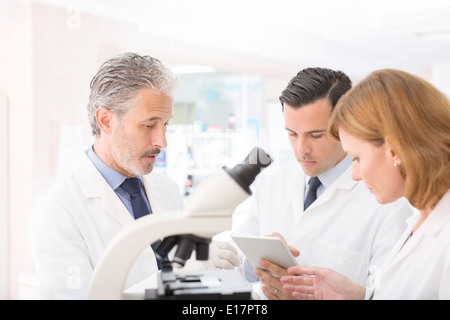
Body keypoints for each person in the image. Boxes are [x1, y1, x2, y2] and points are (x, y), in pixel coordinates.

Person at [28, 52, 238, 299]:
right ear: (106, 120)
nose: (162, 141)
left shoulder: (167, 189)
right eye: (149, 125)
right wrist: (177, 277)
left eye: (166, 124)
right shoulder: (58, 209)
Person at [232, 67, 413, 300]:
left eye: (316, 135)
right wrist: (258, 264)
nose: (301, 150)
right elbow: (241, 266)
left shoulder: (388, 204)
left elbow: (392, 295)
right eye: (292, 134)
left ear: (345, 125)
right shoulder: (272, 184)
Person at [281, 68, 450, 300]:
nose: (355, 175)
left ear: (395, 150)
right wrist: (358, 296)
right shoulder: (421, 221)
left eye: (357, 158)